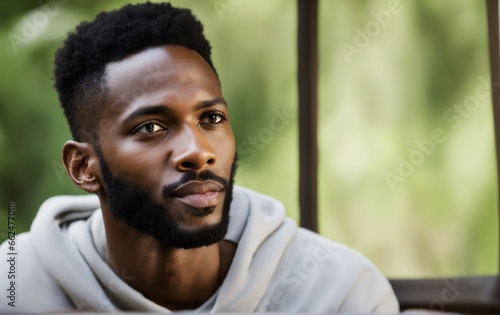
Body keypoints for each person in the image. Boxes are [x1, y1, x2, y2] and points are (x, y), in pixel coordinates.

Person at [0, 2, 399, 313]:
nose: (199, 152)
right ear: (84, 168)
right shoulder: (14, 287)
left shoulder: (337, 292)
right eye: (151, 128)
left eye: (211, 118)